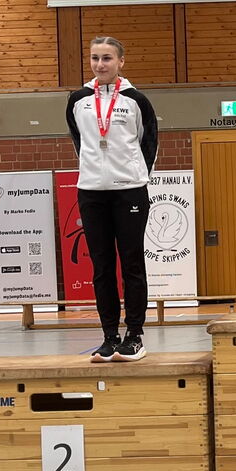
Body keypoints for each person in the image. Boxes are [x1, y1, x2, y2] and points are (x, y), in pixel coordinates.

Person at [66, 37, 158, 361]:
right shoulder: (78, 100)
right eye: (95, 58)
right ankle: (109, 336)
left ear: (121, 61)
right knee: (102, 267)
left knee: (132, 263)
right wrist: (94, 173)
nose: (100, 64)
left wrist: (135, 176)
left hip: (129, 189)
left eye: (107, 58)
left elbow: (149, 142)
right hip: (91, 191)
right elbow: (79, 142)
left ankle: (134, 336)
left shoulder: (136, 100)